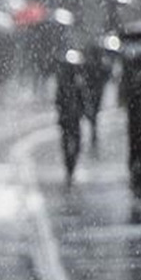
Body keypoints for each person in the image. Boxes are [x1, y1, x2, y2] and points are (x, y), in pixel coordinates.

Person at [55, 53, 86, 186]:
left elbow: (82, 100)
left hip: (72, 119)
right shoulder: (64, 83)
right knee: (69, 143)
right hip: (67, 120)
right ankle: (69, 167)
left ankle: (71, 166)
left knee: (75, 143)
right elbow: (58, 101)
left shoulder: (77, 83)